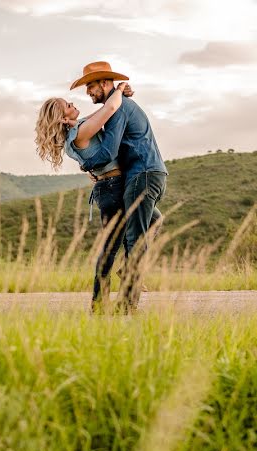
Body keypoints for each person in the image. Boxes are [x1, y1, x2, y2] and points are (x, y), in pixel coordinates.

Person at [34, 69, 160, 312]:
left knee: (154, 220)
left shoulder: (78, 129)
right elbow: (109, 110)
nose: (74, 103)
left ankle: (126, 271)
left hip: (114, 184)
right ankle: (99, 302)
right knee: (111, 246)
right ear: (62, 117)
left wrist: (118, 94)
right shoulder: (80, 132)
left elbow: (100, 113)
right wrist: (121, 90)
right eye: (69, 104)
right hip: (111, 188)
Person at [70, 61, 168, 312]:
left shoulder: (119, 108)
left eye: (90, 86)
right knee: (153, 221)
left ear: (104, 83)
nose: (88, 93)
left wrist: (88, 166)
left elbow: (108, 150)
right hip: (148, 173)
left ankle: (128, 303)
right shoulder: (117, 104)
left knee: (135, 238)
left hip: (141, 175)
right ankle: (129, 271)